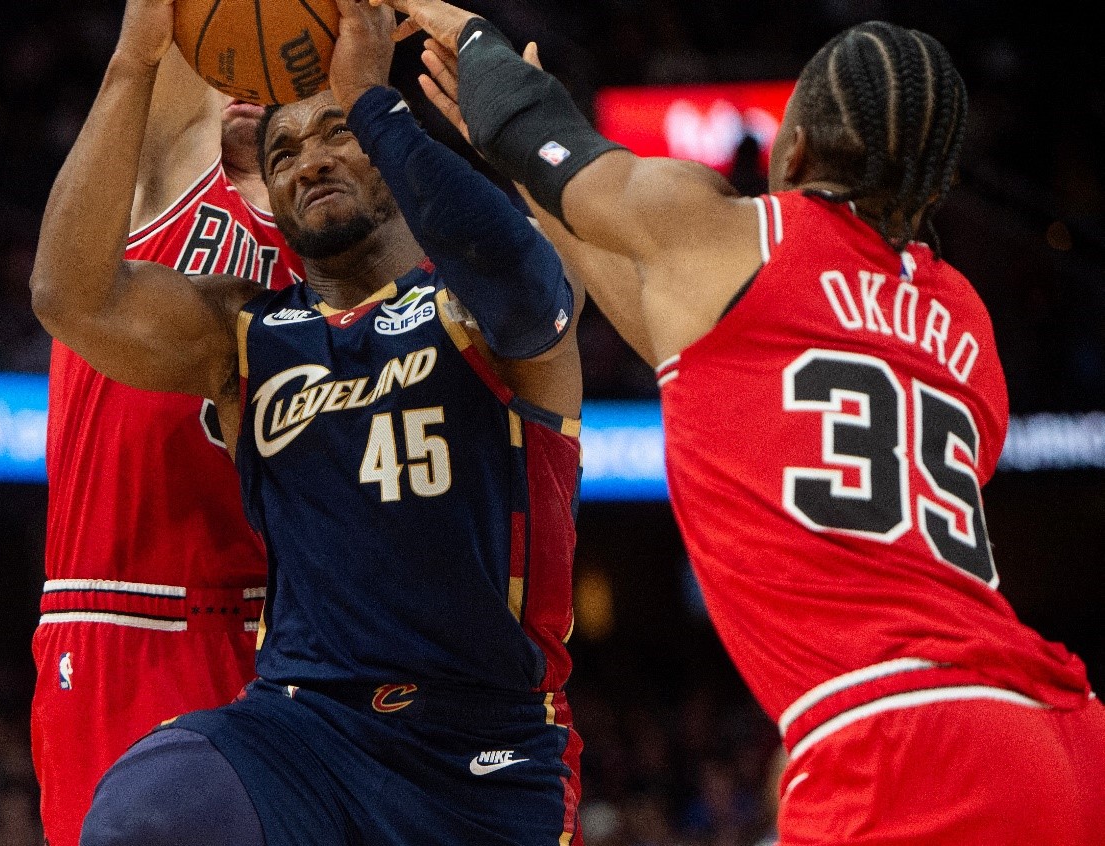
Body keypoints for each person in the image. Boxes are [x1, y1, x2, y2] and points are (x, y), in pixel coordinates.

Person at [377, 2, 1105, 843]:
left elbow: (549, 138)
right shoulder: (964, 318)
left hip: (897, 739)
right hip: (1062, 731)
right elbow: (663, 314)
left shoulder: (733, 235)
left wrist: (473, 39)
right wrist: (522, 166)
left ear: (792, 150)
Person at [29, 0, 586, 844]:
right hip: (300, 715)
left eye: (337, 134)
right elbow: (68, 297)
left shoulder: (478, 309)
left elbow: (528, 274)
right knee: (145, 813)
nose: (310, 161)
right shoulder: (253, 331)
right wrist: (134, 59)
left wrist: (399, 107)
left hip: (479, 738)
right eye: (283, 151)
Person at [29, 23, 303, 846]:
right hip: (120, 609)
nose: (249, 76)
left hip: (290, 633)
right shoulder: (177, 161)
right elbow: (159, 38)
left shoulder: (348, 234)